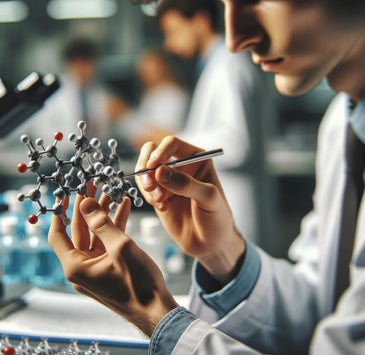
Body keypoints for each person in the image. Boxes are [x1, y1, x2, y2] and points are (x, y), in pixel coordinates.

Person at [48, 0, 365, 354]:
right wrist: (224, 254)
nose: (234, 39)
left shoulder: (228, 67)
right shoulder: (342, 123)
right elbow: (318, 310)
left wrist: (156, 317)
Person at [157, 0, 273, 241]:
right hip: (226, 205)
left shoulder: (229, 67)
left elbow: (237, 144)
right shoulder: (214, 66)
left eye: (173, 32)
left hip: (238, 207)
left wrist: (174, 142)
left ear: (200, 21)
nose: (169, 44)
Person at [18, 37, 127, 154]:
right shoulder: (54, 94)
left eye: (87, 64)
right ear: (69, 64)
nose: (83, 69)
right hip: (59, 157)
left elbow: (114, 133)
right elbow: (40, 132)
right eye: (77, 64)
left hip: (92, 158)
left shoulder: (103, 94)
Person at [121, 48, 188, 149]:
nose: (147, 74)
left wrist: (125, 115)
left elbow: (163, 134)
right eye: (144, 70)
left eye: (151, 69)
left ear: (163, 68)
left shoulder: (173, 96)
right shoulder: (150, 94)